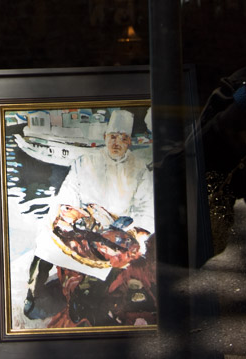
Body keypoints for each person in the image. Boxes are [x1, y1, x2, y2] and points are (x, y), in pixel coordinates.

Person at [25, 108, 155, 328]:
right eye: (112, 137)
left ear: (129, 141)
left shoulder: (141, 169)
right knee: (45, 241)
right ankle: (35, 297)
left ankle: (89, 303)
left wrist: (131, 231)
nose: (116, 142)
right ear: (105, 137)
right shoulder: (85, 161)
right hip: (84, 227)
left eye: (122, 138)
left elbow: (146, 209)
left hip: (119, 234)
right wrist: (70, 218)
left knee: (120, 266)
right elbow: (67, 195)